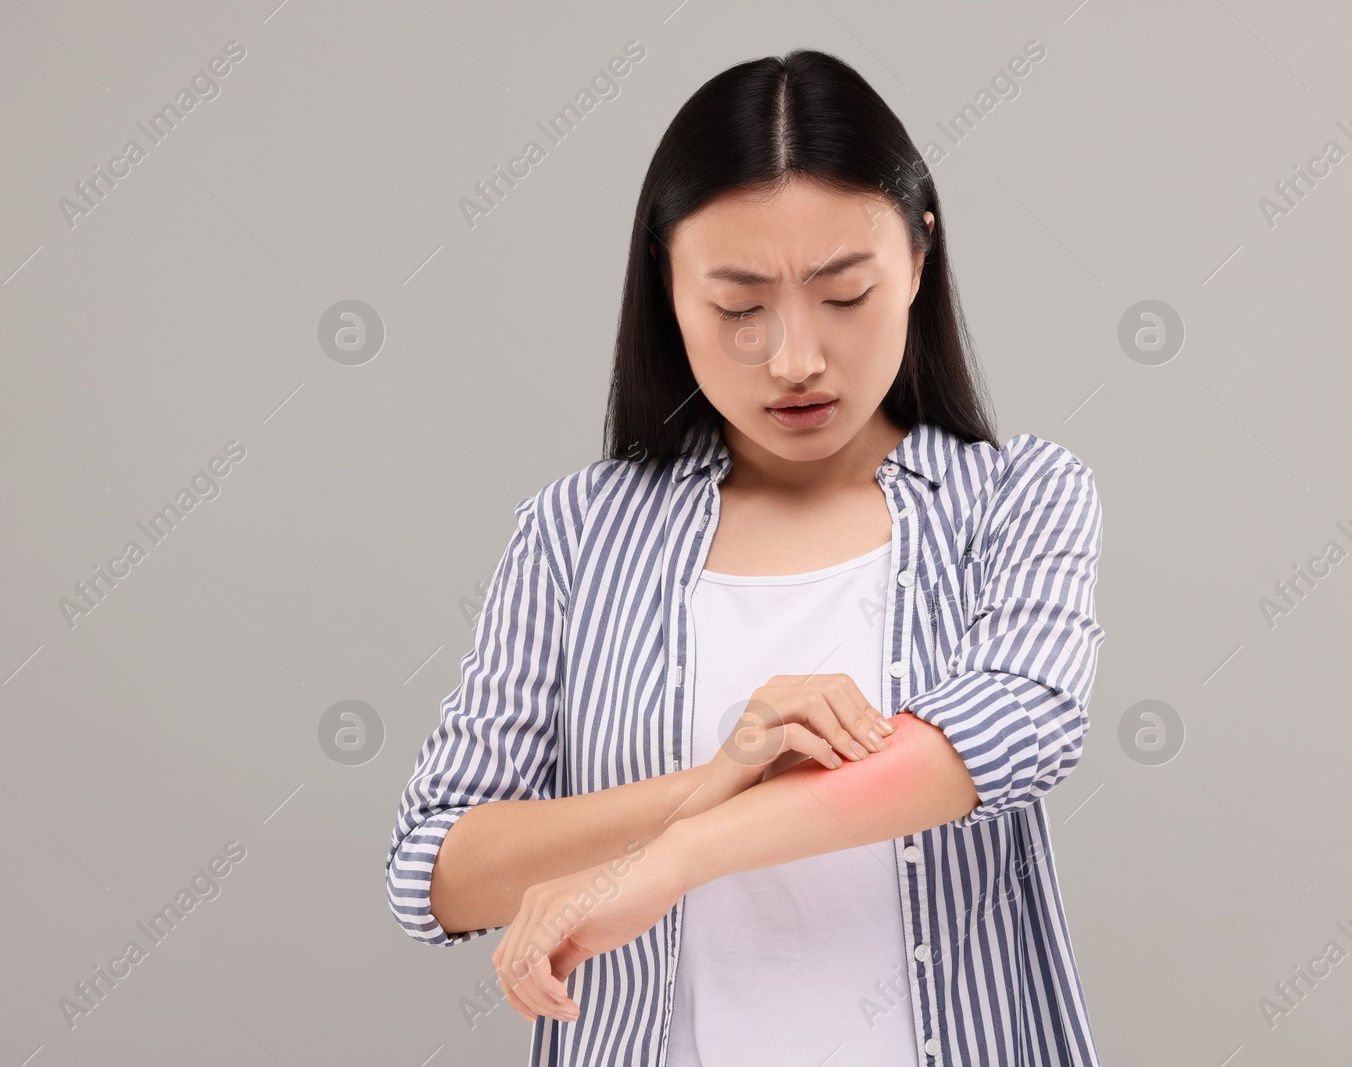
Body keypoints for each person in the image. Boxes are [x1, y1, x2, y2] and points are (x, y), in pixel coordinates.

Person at [386, 47, 1106, 1067]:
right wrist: (715, 776)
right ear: (665, 287)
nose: (794, 358)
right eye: (737, 308)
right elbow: (438, 866)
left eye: (843, 293)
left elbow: (1011, 728)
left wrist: (676, 855)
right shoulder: (574, 532)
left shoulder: (1019, 497)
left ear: (917, 257)